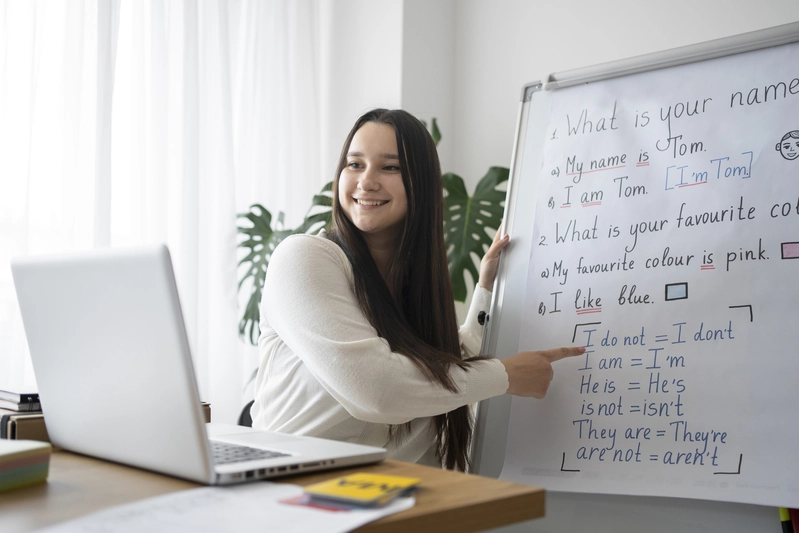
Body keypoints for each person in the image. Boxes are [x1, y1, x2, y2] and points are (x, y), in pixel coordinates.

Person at [251, 109, 583, 471]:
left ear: (420, 183)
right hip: (291, 497)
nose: (366, 182)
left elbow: (439, 372)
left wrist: (487, 285)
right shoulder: (304, 258)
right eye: (355, 164)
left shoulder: (414, 286)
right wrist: (505, 375)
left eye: (389, 167)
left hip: (382, 498)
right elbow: (377, 391)